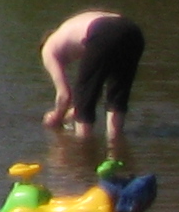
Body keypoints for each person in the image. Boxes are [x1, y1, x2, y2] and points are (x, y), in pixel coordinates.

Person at [39, 9, 145, 158]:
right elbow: (98, 81)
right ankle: (115, 152)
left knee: (84, 96)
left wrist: (56, 118)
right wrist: (73, 110)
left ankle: (84, 155)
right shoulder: (70, 30)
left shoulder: (47, 49)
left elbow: (65, 95)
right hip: (131, 30)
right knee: (117, 95)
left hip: (103, 29)